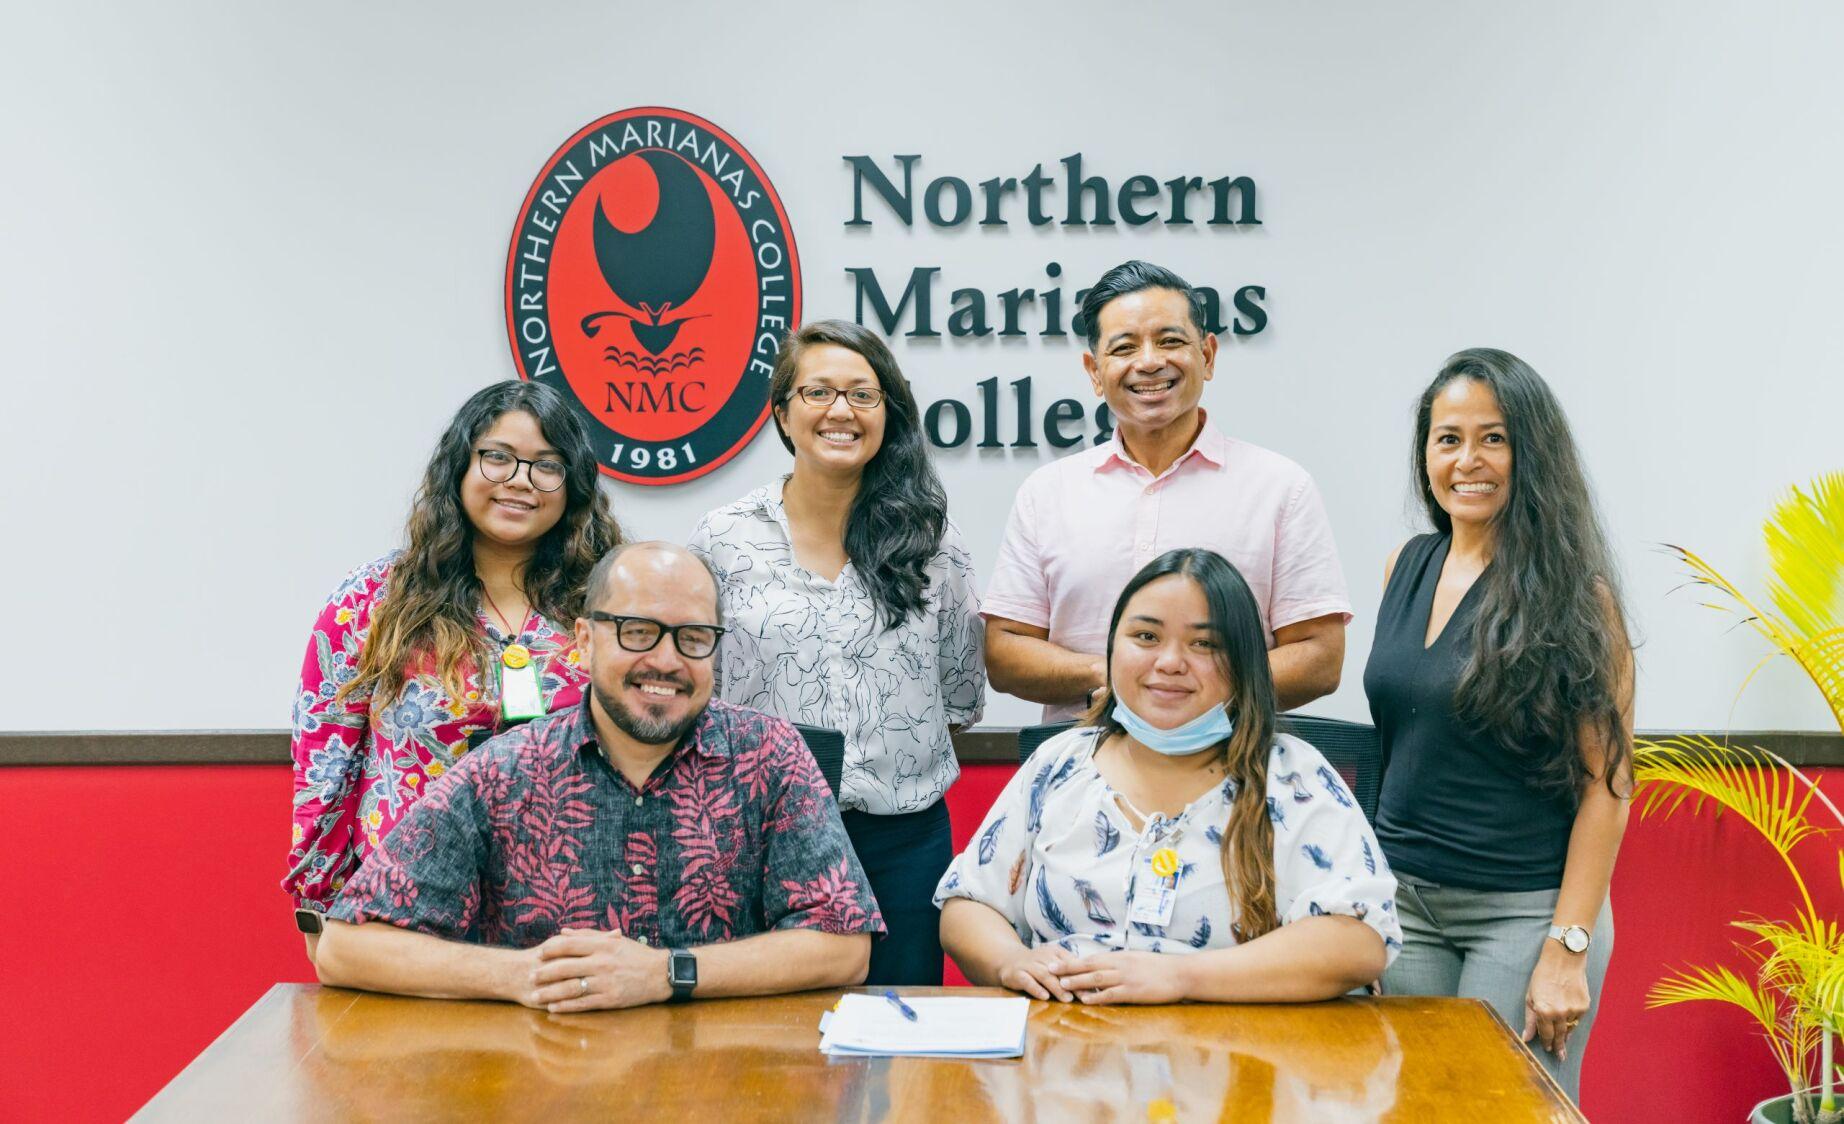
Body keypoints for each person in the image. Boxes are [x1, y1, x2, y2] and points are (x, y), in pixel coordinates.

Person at [312, 542, 883, 1009]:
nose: (665, 660)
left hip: (731, 1081)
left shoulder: (771, 756)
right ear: (584, 642)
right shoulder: (504, 770)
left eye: (693, 637)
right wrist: (520, 975)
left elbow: (843, 948)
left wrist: (667, 973)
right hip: (546, 1082)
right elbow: (345, 948)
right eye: (637, 631)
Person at [937, 548, 1398, 1004]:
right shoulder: (1059, 764)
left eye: (1205, 644)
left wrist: (1182, 977)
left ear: (1245, 663)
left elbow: (1358, 942)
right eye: (1146, 637)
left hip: (1242, 1061)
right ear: (1113, 647)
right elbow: (969, 904)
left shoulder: (1294, 777)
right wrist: (1009, 961)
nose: (1171, 662)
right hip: (1065, 1053)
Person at [1364, 348, 1633, 1100]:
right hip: (1405, 905)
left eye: (1494, 438)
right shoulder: (1406, 566)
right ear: (1427, 456)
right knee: (1412, 1110)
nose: (1468, 460)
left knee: (1503, 1111)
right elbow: (1401, 747)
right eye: (1448, 438)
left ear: (1531, 453)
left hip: (1521, 912)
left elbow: (1607, 788)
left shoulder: (1580, 596)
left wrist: (1567, 947)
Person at [688, 320, 984, 986]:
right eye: (819, 392)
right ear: (783, 414)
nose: (841, 411)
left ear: (888, 413)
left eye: (863, 394)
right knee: (766, 1047)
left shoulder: (931, 539)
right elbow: (696, 684)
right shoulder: (724, 538)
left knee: (900, 1052)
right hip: (758, 834)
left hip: (902, 841)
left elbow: (960, 690)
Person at [286, 381, 622, 937]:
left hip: (575, 918)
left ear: (574, 484)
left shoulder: (611, 602)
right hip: (403, 920)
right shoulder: (373, 600)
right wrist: (320, 917)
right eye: (497, 457)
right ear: (459, 466)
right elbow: (323, 772)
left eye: (547, 464)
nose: (520, 480)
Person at [982, 260, 1350, 723]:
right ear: (1095, 372)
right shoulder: (1047, 493)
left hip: (1234, 774)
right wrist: (1112, 676)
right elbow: (1004, 650)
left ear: (1208, 356)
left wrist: (1199, 692)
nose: (1150, 361)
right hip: (1079, 776)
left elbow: (1320, 656)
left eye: (1171, 341)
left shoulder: (1280, 487)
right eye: (1125, 347)